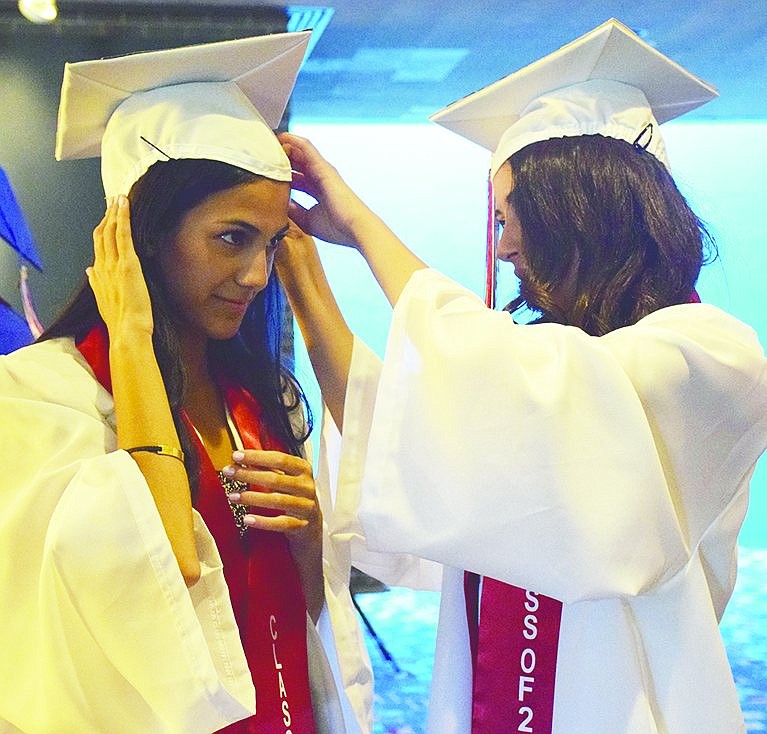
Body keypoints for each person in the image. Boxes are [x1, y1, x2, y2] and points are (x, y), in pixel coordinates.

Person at [274, 19, 767, 734]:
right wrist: (299, 265)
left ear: (574, 215)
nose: (502, 247)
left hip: (629, 701)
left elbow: (527, 387)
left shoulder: (709, 353)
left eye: (510, 219)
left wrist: (362, 225)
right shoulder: (544, 361)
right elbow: (404, 431)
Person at [0, 33, 373, 734]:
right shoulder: (39, 398)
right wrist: (133, 339)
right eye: (230, 238)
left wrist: (309, 539)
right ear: (139, 234)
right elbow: (156, 578)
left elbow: (295, 618)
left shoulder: (256, 399)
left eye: (271, 243)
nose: (256, 276)